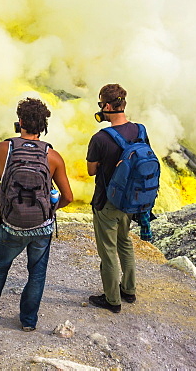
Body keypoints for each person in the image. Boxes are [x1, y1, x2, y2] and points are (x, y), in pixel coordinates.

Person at [0, 98, 73, 332]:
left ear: (20, 121)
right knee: (36, 274)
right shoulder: (53, 156)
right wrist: (50, 210)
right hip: (41, 227)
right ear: (44, 125)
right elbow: (68, 197)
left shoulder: (4, 149)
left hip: (11, 224)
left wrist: (3, 208)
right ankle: (28, 322)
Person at [86, 83, 140, 313]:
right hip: (130, 200)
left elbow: (91, 170)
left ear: (107, 106)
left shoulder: (100, 138)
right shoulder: (139, 130)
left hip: (107, 202)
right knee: (125, 243)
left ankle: (112, 300)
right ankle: (128, 289)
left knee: (108, 250)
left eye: (100, 105)